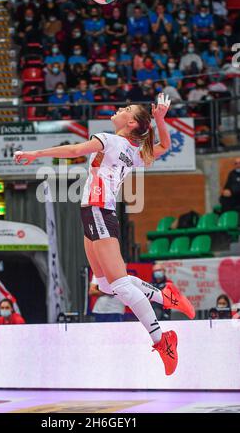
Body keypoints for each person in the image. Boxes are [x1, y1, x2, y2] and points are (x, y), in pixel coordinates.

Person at [14, 93, 195, 376]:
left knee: (120, 285)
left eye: (125, 108)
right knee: (107, 285)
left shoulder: (109, 140)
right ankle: (166, 297)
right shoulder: (132, 149)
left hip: (99, 210)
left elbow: (75, 151)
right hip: (94, 213)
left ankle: (162, 340)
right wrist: (160, 119)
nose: (118, 109)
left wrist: (36, 155)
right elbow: (165, 145)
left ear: (131, 122)